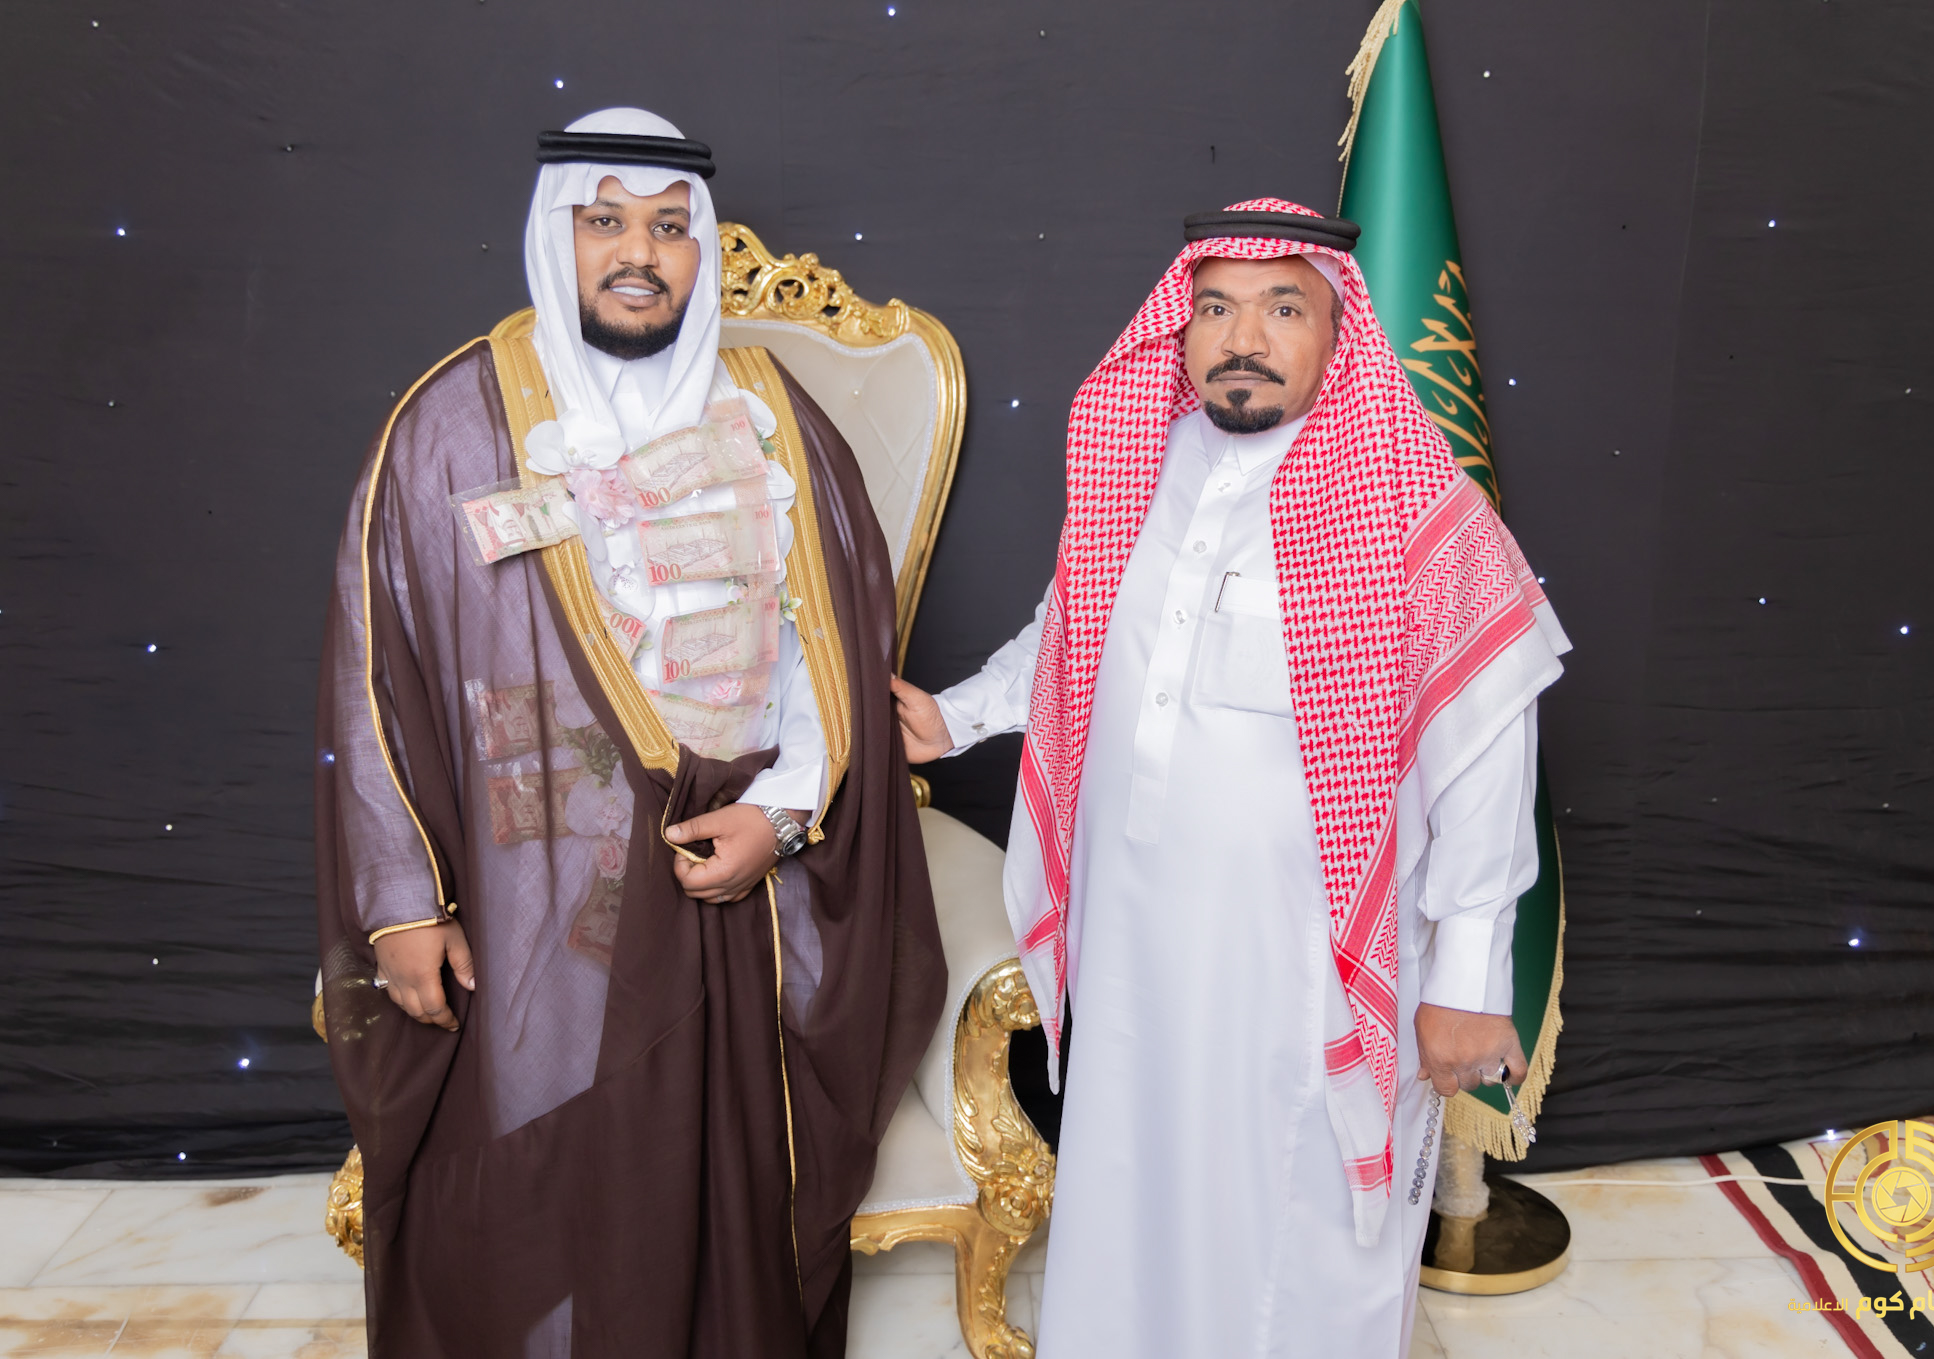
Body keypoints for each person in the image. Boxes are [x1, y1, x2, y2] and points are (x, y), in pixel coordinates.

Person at [891, 200, 1569, 1357]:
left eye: (1280, 308)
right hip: (1136, 954)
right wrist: (954, 718)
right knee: (1134, 1203)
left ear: (1337, 332)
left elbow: (1487, 751)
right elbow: (1073, 638)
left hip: (1302, 973)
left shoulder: (1411, 506)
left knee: (1292, 1249)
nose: (1240, 336)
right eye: (1214, 307)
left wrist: (1466, 975)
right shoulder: (1140, 470)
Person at [316, 107, 943, 1358]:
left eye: (666, 226)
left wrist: (780, 816)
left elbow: (833, 662)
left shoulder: (775, 416)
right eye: (603, 222)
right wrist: (402, 905)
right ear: (554, 237)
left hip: (739, 875)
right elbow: (373, 671)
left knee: (722, 1201)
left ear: (700, 246)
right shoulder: (452, 422)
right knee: (538, 1174)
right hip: (529, 883)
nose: (637, 253)